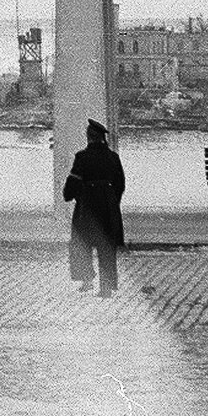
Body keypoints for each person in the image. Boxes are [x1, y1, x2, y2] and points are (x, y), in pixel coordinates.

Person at [63, 118, 126, 296]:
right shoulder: (113, 157)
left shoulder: (82, 157)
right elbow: (120, 183)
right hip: (108, 207)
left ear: (88, 138)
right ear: (102, 138)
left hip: (87, 207)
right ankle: (106, 287)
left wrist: (71, 195)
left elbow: (73, 183)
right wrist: (113, 201)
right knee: (106, 247)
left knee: (81, 243)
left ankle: (87, 280)